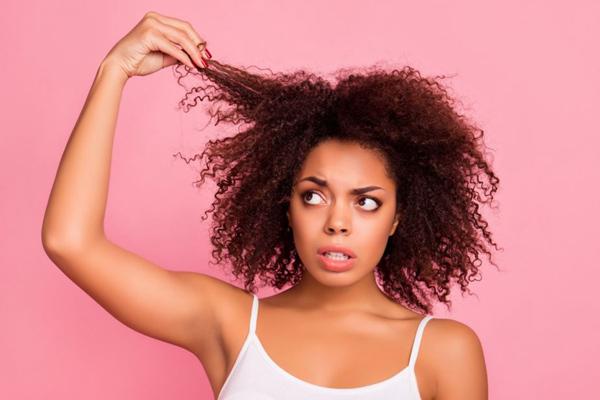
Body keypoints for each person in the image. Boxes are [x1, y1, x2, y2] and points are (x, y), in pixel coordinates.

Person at [42, 11, 497, 400]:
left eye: (366, 202)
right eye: (314, 196)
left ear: (398, 217)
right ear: (286, 205)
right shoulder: (231, 325)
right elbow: (70, 241)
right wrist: (114, 71)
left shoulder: (443, 352)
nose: (337, 222)